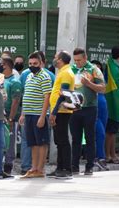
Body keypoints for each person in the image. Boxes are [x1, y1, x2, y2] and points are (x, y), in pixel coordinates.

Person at [71, 48, 106, 176]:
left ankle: (89, 166)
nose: (77, 63)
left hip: (89, 107)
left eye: (79, 60)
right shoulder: (72, 69)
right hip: (74, 108)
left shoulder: (94, 69)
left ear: (85, 58)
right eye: (75, 60)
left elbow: (103, 88)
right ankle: (74, 166)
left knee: (90, 137)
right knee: (75, 138)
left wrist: (89, 83)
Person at [19, 52, 52, 178]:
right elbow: (25, 95)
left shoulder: (45, 76)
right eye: (30, 64)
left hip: (39, 114)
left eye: (35, 64)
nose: (33, 66)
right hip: (29, 115)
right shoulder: (28, 76)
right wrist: (23, 114)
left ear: (41, 63)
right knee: (32, 143)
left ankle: (40, 169)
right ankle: (33, 168)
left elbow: (47, 97)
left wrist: (43, 116)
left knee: (41, 143)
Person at [48, 51, 75, 179]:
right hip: (58, 110)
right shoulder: (63, 72)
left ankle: (67, 169)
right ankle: (60, 167)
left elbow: (63, 94)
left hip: (62, 111)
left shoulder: (66, 73)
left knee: (63, 140)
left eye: (56, 58)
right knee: (58, 140)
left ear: (61, 60)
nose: (54, 60)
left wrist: (54, 113)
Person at [0, 57, 22, 175]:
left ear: (7, 66)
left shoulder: (15, 82)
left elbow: (15, 101)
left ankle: (9, 165)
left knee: (10, 142)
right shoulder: (3, 79)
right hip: (1, 115)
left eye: (1, 64)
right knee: (2, 141)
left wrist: (11, 118)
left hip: (11, 117)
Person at [105, 46, 119, 164]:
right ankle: (109, 155)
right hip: (113, 101)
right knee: (111, 130)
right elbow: (118, 81)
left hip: (114, 100)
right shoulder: (114, 66)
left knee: (112, 131)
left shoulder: (112, 64)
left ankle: (112, 154)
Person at [91, 60, 109, 171]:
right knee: (100, 133)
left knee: (101, 134)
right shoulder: (88, 79)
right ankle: (99, 158)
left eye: (99, 69)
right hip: (94, 106)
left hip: (103, 106)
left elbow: (104, 88)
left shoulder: (101, 80)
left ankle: (99, 157)